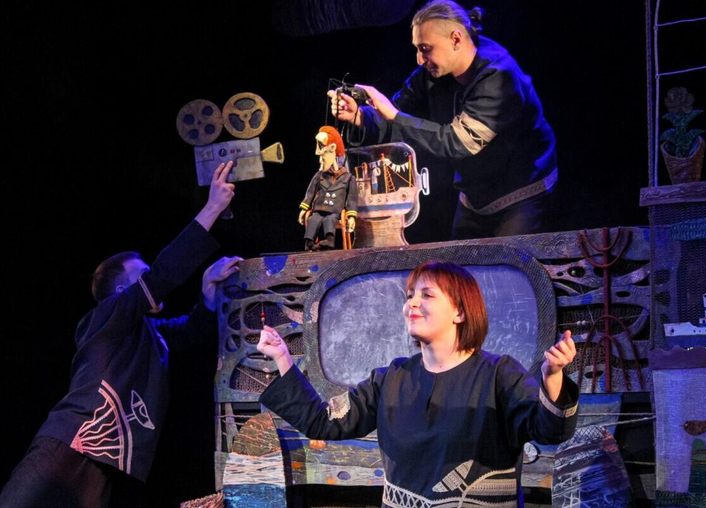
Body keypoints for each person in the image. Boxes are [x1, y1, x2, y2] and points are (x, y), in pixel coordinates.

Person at [0, 161, 243, 507]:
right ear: (120, 292)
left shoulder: (148, 334)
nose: (150, 281)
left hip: (105, 463)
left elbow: (190, 331)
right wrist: (212, 208)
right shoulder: (107, 317)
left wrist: (207, 287)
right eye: (141, 276)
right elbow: (163, 274)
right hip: (68, 445)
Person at [257, 260, 579, 507]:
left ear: (460, 312)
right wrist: (283, 357)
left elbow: (551, 432)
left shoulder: (499, 374)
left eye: (427, 295)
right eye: (410, 295)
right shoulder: (391, 378)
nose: (411, 303)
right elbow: (323, 422)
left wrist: (552, 376)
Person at [329, 0, 558, 241]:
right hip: (474, 194)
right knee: (460, 262)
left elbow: (458, 143)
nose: (419, 59)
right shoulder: (432, 73)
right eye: (417, 49)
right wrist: (361, 116)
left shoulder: (500, 78)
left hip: (521, 192)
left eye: (425, 48)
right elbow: (394, 112)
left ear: (456, 39)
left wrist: (393, 115)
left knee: (509, 262)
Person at [298, 125, 358, 250]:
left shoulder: (348, 178)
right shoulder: (319, 175)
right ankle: (309, 242)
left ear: (332, 148)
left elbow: (352, 199)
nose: (317, 152)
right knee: (313, 219)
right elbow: (310, 192)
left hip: (334, 211)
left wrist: (352, 216)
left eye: (321, 148)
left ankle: (329, 241)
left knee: (329, 220)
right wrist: (304, 209)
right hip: (318, 209)